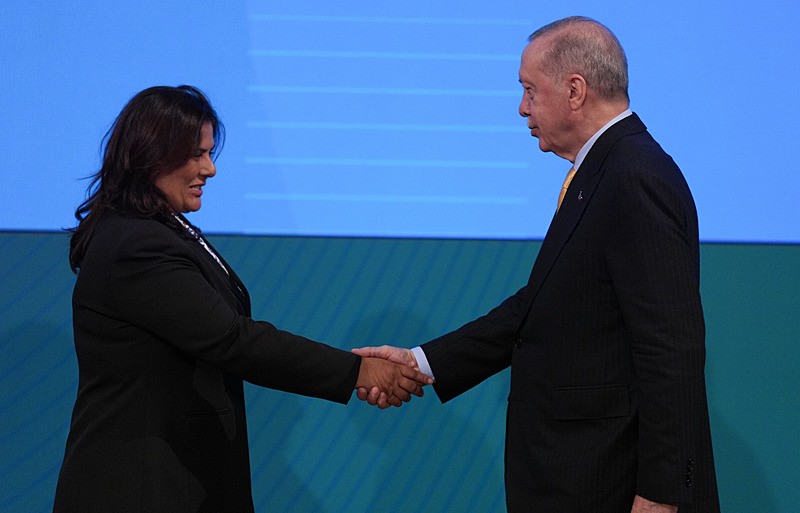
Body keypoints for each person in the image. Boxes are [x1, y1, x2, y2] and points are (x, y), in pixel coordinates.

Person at [354, 16, 720, 513]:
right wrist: (422, 362)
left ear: (575, 91)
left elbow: (671, 346)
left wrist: (660, 493)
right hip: (581, 477)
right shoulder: (602, 171)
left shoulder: (634, 176)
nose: (522, 108)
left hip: (611, 483)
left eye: (530, 90)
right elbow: (543, 305)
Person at [53, 85, 432, 513]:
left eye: (209, 153)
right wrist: (357, 371)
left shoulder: (161, 231)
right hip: (141, 490)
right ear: (151, 154)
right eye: (196, 154)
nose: (210, 169)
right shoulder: (136, 244)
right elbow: (232, 340)